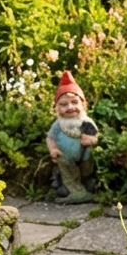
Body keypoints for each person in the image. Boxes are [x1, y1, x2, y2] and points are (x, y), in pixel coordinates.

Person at [46, 71, 99, 204]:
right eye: (64, 104)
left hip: (84, 157)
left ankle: (87, 184)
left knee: (88, 168)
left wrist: (91, 140)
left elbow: (94, 135)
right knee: (67, 170)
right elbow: (50, 138)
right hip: (65, 158)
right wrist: (53, 149)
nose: (70, 107)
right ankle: (76, 192)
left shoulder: (85, 121)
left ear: (83, 104)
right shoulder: (58, 124)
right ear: (57, 108)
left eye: (74, 102)